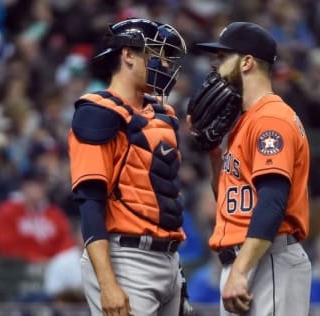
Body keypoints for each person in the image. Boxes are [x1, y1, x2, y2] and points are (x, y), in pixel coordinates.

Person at [68, 18, 191, 316]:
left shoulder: (163, 114)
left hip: (169, 259)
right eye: (155, 54)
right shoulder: (98, 112)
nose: (163, 64)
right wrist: (107, 283)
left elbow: (161, 197)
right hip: (125, 258)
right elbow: (90, 201)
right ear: (128, 55)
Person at [189, 22, 312, 315]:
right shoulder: (245, 122)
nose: (215, 67)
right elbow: (232, 203)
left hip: (267, 259)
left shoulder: (271, 119)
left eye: (222, 58)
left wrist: (241, 271)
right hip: (248, 257)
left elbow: (272, 203)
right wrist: (212, 152)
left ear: (246, 62)